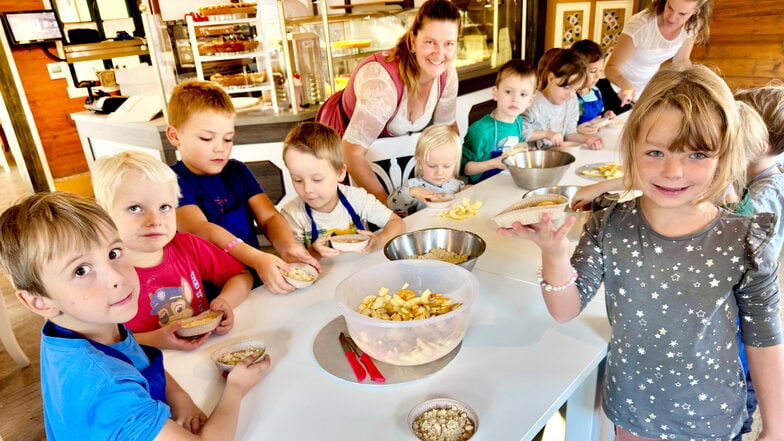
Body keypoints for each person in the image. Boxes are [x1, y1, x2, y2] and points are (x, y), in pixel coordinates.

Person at [499, 65, 784, 440]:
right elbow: (565, 309)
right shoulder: (609, 225)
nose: (673, 171)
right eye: (655, 151)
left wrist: (776, 428)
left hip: (709, 415)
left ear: (724, 156)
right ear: (631, 147)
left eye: (697, 155)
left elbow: (764, 336)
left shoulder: (745, 240)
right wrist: (554, 254)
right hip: (633, 410)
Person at [0, 192, 270, 440]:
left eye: (114, 253)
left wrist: (181, 399)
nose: (117, 277)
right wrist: (235, 388)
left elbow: (136, 357)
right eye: (81, 271)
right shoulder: (107, 390)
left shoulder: (87, 324)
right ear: (37, 301)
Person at [165, 80, 320, 295]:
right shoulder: (172, 181)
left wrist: (286, 246)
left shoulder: (236, 171)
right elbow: (201, 230)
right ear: (174, 136)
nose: (220, 148)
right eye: (206, 138)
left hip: (256, 278)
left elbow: (269, 217)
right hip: (213, 291)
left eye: (228, 139)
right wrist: (257, 258)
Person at [92, 151, 253, 350]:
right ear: (103, 214)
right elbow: (97, 339)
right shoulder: (99, 273)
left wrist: (224, 301)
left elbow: (241, 276)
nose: (155, 221)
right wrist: (154, 340)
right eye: (135, 208)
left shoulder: (188, 246)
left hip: (207, 351)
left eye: (164, 207)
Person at [316, 0, 461, 203]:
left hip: (399, 163)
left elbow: (446, 130)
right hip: (347, 152)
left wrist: (449, 184)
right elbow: (351, 152)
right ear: (413, 41)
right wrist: (386, 206)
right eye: (430, 42)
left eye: (449, 44)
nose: (439, 53)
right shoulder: (380, 82)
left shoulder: (448, 73)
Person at [732, 86, 784, 441]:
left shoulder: (764, 195)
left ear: (760, 144)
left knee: (739, 367)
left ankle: (739, 422)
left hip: (740, 302)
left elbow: (743, 254)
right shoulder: (762, 172)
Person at [280, 122, 406, 259]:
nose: (307, 189)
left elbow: (397, 223)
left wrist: (379, 240)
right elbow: (293, 261)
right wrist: (313, 252)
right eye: (297, 180)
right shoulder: (292, 215)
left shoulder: (357, 198)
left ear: (340, 173)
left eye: (317, 179)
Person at [603, 0, 712, 112]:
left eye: (682, 14)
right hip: (615, 86)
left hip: (647, 88)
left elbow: (681, 61)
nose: (672, 18)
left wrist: (693, 84)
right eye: (670, 7)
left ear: (695, 11)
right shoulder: (640, 24)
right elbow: (611, 68)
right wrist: (626, 86)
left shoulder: (692, 25)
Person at [460, 59, 537, 184]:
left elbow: (517, 148)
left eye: (523, 94)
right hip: (484, 189)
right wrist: (494, 163)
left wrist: (525, 154)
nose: (515, 99)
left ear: (530, 101)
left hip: (509, 183)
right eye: (508, 92)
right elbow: (463, 168)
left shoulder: (518, 121)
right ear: (495, 93)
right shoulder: (480, 131)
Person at [523, 48, 604, 150]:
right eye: (566, 87)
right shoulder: (532, 102)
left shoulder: (571, 100)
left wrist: (586, 140)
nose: (570, 94)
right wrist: (546, 134)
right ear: (551, 78)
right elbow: (520, 133)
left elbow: (569, 133)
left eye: (575, 89)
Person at [389, 124, 467, 213]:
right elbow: (392, 207)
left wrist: (470, 191)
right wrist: (411, 192)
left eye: (447, 166)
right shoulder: (413, 185)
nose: (439, 173)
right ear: (420, 162)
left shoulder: (457, 185)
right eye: (432, 166)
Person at [570, 39, 616, 132]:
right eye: (593, 71)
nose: (598, 76)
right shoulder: (571, 96)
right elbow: (565, 129)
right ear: (577, 69)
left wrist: (605, 116)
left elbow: (599, 114)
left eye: (600, 71)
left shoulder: (596, 92)